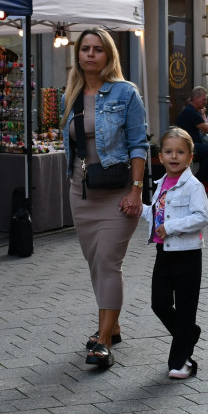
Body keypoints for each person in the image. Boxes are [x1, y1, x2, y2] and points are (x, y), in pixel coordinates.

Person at [61, 28, 148, 369]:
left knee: (109, 262)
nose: (90, 54)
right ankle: (113, 325)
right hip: (82, 191)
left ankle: (104, 341)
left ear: (109, 55)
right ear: (78, 55)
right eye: (85, 49)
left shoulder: (126, 93)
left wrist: (136, 189)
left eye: (98, 49)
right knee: (95, 262)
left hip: (118, 193)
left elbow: (139, 144)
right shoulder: (71, 94)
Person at [143, 127, 208, 379]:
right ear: (160, 156)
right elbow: (156, 214)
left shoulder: (193, 186)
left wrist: (171, 228)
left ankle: (181, 362)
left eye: (180, 152)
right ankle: (189, 333)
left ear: (190, 157)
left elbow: (202, 217)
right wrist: (137, 208)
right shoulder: (160, 184)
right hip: (164, 253)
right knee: (159, 303)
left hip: (188, 255)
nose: (174, 156)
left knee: (185, 309)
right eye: (168, 151)